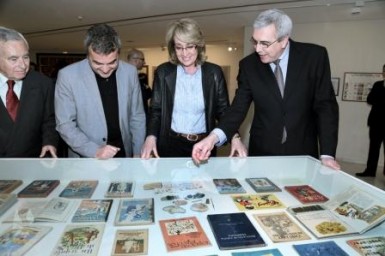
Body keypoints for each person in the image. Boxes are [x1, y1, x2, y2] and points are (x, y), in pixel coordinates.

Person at [192, 9, 340, 170]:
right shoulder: (249, 66)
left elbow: (326, 106)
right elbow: (237, 109)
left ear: (284, 40)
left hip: (302, 150)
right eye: (254, 41)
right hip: (262, 150)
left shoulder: (314, 57)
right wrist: (212, 138)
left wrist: (327, 155)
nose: (258, 49)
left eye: (265, 43)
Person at [141, 18, 247, 158]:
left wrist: (235, 137)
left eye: (190, 46)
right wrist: (150, 137)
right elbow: (156, 111)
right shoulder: (163, 72)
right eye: (179, 47)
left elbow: (223, 111)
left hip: (204, 145)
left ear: (199, 45)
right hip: (170, 144)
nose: (184, 53)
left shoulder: (214, 73)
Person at [55, 24, 146, 159]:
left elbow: (137, 116)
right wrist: (94, 150)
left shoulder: (130, 72)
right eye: (97, 63)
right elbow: (65, 124)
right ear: (88, 54)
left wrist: (138, 151)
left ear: (118, 53)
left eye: (112, 62)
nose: (105, 70)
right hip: (86, 156)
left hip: (124, 153)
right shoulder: (67, 76)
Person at [0, 26, 58, 157]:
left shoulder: (43, 83)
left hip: (32, 162)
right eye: (13, 59)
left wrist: (49, 142)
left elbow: (50, 120)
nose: (23, 65)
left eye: (25, 57)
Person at [356, 64, 385, 177]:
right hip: (376, 123)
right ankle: (370, 171)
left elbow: (376, 100)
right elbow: (369, 99)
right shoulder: (378, 85)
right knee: (373, 149)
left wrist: (379, 100)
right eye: (384, 71)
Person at [127, 49, 152, 115]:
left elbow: (149, 93)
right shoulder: (127, 76)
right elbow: (142, 96)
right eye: (143, 59)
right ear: (136, 60)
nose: (144, 62)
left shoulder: (136, 76)